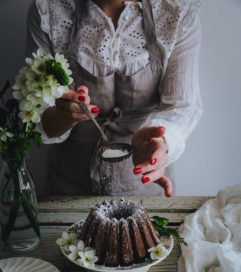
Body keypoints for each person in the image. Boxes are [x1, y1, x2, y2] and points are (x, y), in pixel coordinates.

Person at [26, 0, 202, 197]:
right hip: (68, 191)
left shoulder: (176, 13)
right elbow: (35, 111)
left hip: (146, 192)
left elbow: (182, 106)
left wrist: (161, 142)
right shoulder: (48, 11)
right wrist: (63, 114)